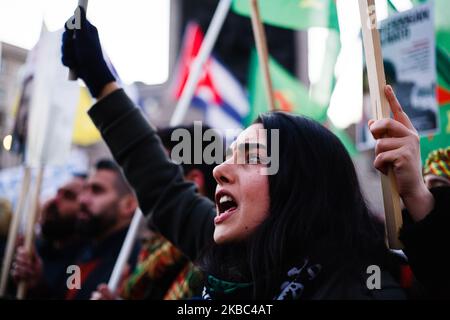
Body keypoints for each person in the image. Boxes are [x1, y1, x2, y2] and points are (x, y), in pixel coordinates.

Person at [61, 8, 440, 299]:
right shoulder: (225, 253)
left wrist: (419, 198)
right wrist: (101, 80)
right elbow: (161, 186)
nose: (219, 171)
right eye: (228, 156)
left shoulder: (367, 291)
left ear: (300, 185)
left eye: (252, 157)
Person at [92, 125, 219, 300]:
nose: (142, 188)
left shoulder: (219, 265)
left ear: (193, 183)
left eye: (158, 176)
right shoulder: (149, 257)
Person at [11, 175, 87, 298]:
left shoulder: (80, 262)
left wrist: (38, 285)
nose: (54, 200)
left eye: (69, 196)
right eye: (57, 193)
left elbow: (69, 295)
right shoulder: (36, 247)